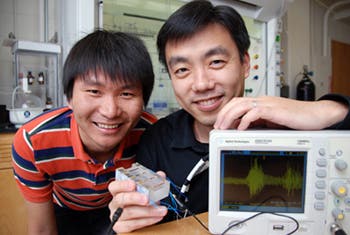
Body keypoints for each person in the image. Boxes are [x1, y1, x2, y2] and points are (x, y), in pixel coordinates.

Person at [108, 0, 350, 233]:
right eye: (182, 70)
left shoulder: (288, 127)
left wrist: (323, 110)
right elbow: (142, 219)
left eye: (216, 62)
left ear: (245, 63)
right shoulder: (158, 139)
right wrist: (129, 217)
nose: (201, 84)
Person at [11, 30, 157, 235]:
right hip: (64, 210)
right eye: (94, 91)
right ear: (69, 97)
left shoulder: (153, 135)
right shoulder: (33, 142)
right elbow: (42, 229)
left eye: (126, 93)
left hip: (121, 211)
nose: (110, 111)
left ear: (143, 101)